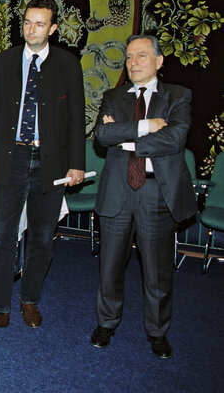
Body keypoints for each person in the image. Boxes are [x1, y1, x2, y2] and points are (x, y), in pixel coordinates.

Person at [0, 0, 85, 335]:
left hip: (52, 163)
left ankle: (30, 300)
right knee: (1, 237)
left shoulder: (67, 64)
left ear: (53, 28)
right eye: (28, 22)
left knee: (43, 237)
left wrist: (77, 163)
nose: (32, 29)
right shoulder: (4, 62)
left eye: (40, 24)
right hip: (11, 158)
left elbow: (77, 119)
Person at [90, 35, 196, 359]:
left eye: (141, 56)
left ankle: (157, 332)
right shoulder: (113, 96)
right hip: (117, 191)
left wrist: (125, 137)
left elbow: (175, 139)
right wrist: (147, 126)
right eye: (129, 57)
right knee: (110, 267)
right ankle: (106, 323)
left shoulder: (178, 95)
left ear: (159, 61)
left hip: (155, 192)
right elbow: (102, 135)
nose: (133, 63)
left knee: (157, 270)